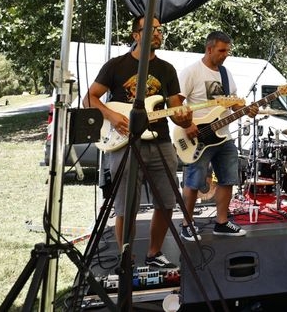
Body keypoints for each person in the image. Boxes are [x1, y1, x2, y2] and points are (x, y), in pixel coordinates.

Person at [84, 16, 192, 269]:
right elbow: (89, 98)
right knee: (126, 205)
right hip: (125, 143)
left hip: (161, 140)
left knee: (167, 202)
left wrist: (185, 118)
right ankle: (125, 258)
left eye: (160, 29)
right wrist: (111, 115)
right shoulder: (116, 66)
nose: (157, 33)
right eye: (151, 29)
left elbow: (177, 112)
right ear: (135, 35)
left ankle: (154, 253)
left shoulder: (167, 70)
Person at [177, 31, 258, 241]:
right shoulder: (192, 72)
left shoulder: (225, 74)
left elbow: (233, 102)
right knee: (193, 181)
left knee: (228, 179)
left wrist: (245, 108)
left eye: (228, 51)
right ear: (209, 48)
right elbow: (176, 104)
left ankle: (221, 222)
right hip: (197, 137)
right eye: (222, 50)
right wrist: (187, 125)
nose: (225, 55)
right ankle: (187, 223)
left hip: (223, 136)